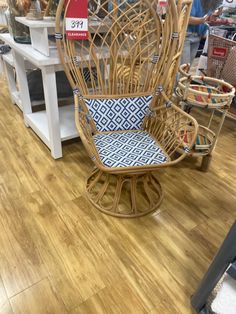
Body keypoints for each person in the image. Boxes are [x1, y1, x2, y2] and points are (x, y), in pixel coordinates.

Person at [181, 0, 234, 65]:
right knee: (182, 67)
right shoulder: (194, 2)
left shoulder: (210, 3)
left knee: (187, 66)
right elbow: (186, 19)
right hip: (186, 36)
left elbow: (209, 20)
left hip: (197, 36)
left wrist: (223, 21)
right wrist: (203, 20)